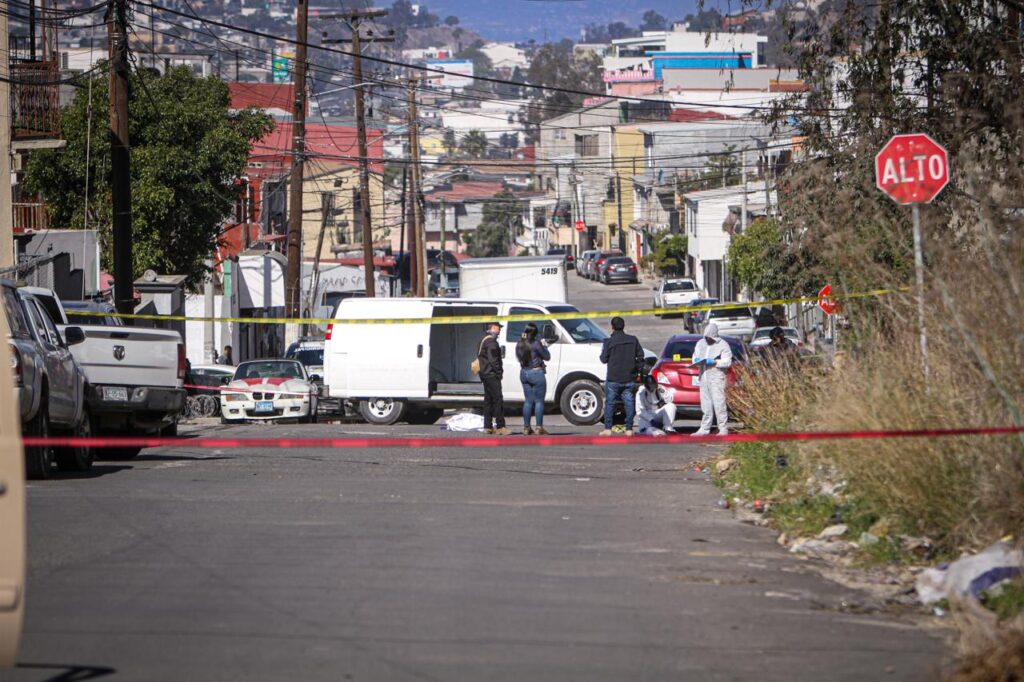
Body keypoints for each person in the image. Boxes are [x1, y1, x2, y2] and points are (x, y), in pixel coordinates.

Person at [599, 316, 644, 437]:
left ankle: (608, 428)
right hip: (629, 377)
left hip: (613, 377)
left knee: (610, 403)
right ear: (624, 326)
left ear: (612, 327)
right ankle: (629, 428)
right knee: (629, 403)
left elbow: (603, 359)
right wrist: (637, 370)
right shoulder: (633, 340)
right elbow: (640, 357)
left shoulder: (609, 341)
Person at [691, 322, 732, 436]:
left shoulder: (723, 345)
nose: (707, 339)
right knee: (705, 404)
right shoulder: (700, 343)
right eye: (706, 337)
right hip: (703, 377)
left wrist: (715, 362)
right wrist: (695, 360)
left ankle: (723, 428)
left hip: (717, 378)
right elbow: (695, 356)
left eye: (709, 337)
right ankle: (704, 428)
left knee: (719, 403)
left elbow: (727, 361)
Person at [516, 323, 551, 435]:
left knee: (528, 400)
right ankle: (539, 427)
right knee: (539, 401)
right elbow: (547, 357)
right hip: (536, 372)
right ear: (535, 333)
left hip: (524, 372)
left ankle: (526, 427)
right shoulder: (536, 344)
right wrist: (544, 346)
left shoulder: (519, 343)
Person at [477, 322, 509, 435]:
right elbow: (494, 360)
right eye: (499, 328)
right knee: (498, 400)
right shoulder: (491, 342)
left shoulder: (483, 339)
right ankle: (500, 426)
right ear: (493, 328)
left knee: (488, 401)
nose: (500, 331)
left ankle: (488, 426)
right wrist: (499, 372)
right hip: (491, 374)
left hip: (484, 374)